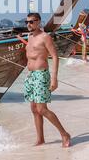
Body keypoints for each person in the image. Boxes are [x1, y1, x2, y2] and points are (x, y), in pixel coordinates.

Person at [22, 12, 71, 148]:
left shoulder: (45, 37)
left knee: (42, 109)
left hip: (41, 75)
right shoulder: (29, 37)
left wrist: (54, 79)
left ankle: (64, 134)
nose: (29, 24)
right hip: (30, 76)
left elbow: (55, 57)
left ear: (39, 22)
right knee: (34, 109)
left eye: (32, 21)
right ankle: (41, 139)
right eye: (27, 22)